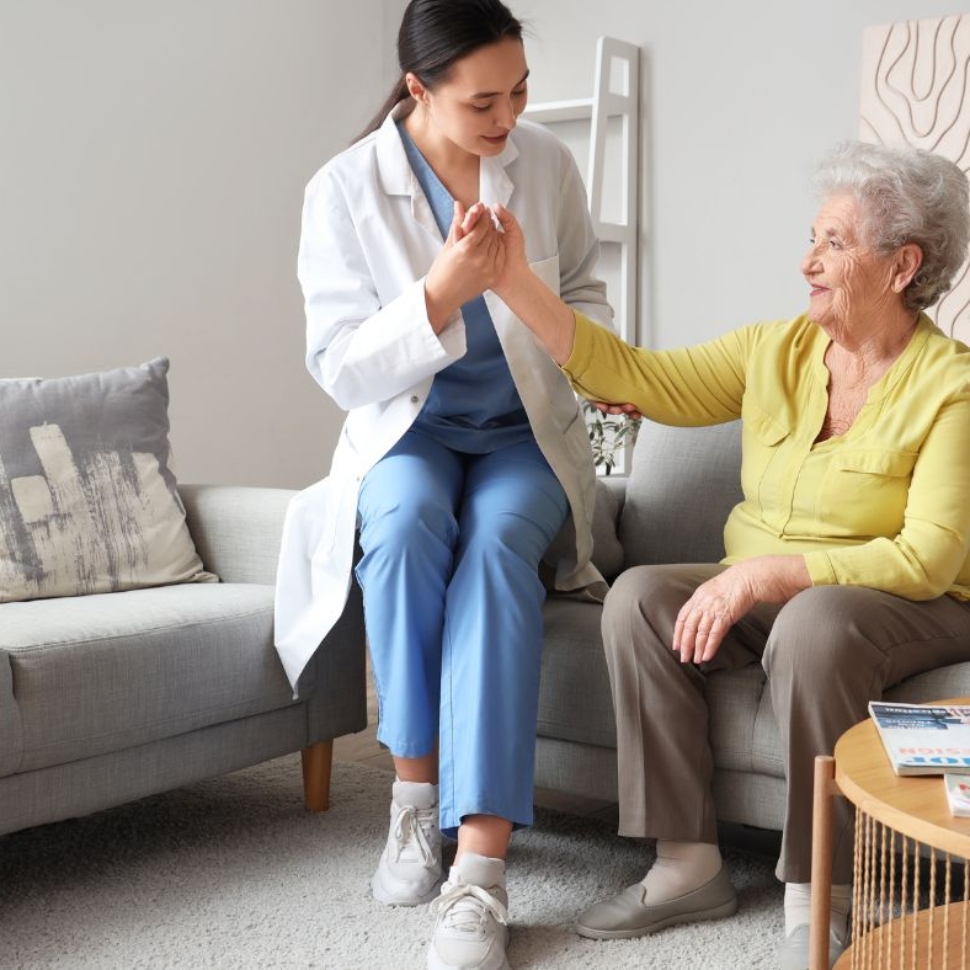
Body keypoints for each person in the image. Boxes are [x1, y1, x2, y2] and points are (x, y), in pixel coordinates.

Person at [483, 140, 970, 969]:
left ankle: (823, 891)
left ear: (902, 267)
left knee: (814, 624)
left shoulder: (951, 386)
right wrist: (514, 281)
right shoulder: (772, 353)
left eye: (835, 244)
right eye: (812, 239)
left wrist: (777, 573)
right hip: (773, 587)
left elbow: (926, 556)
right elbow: (636, 377)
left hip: (904, 604)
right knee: (641, 597)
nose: (808, 262)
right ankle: (686, 863)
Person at [272, 2, 613, 969]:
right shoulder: (342, 189)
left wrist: (515, 286)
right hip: (407, 432)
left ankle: (481, 872)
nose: (508, 118)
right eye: (482, 102)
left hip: (520, 438)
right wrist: (440, 292)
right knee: (410, 521)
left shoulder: (545, 164)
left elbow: (587, 301)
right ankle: (413, 802)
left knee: (501, 545)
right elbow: (338, 366)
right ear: (419, 90)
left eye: (519, 93)